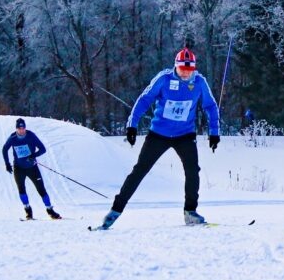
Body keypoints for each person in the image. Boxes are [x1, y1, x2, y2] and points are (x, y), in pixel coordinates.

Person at [95, 47, 221, 229]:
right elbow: (145, 99)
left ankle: (190, 212)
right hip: (159, 134)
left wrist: (214, 132)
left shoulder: (199, 82)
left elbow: (210, 106)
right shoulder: (164, 79)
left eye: (189, 70)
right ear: (176, 67)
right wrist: (132, 125)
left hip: (185, 135)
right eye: (182, 69)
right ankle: (115, 210)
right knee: (140, 170)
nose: (186, 73)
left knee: (192, 171)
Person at [2, 118, 61, 220]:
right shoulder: (12, 138)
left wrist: (33, 155)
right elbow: (4, 149)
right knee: (21, 189)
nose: (22, 130)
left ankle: (50, 210)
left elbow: (43, 149)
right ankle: (28, 211)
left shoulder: (31, 136)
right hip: (18, 168)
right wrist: (7, 163)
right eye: (19, 128)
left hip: (32, 168)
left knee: (41, 189)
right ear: (16, 129)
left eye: (23, 128)